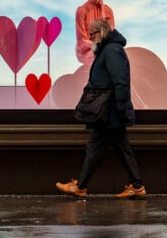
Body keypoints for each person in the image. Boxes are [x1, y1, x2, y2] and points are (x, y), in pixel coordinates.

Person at [56, 18, 146, 199]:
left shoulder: (112, 51)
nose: (89, 39)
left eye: (92, 35)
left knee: (95, 148)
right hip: (109, 111)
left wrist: (121, 109)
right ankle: (137, 185)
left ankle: (80, 186)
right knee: (121, 148)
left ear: (101, 32)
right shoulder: (109, 50)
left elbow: (120, 81)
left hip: (109, 112)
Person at [74, 0, 115, 65]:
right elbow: (82, 41)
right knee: (104, 56)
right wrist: (99, 45)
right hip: (87, 51)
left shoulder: (108, 10)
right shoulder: (81, 11)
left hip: (106, 47)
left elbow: (112, 34)